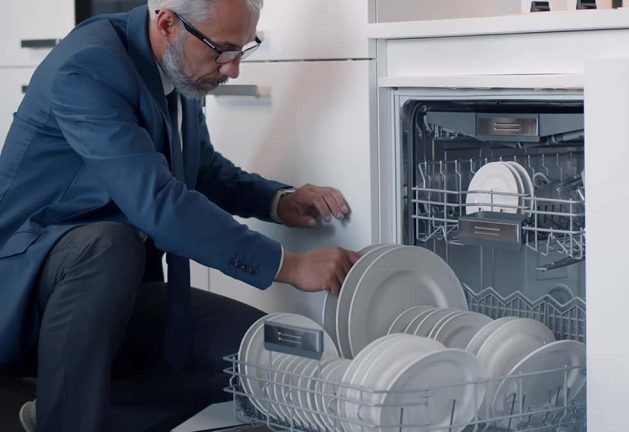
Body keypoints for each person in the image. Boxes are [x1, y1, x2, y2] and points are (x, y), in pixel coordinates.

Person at [0, 0, 360, 430]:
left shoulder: (178, 67)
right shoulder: (88, 67)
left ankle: (60, 414)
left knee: (250, 351)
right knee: (108, 244)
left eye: (244, 49)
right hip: (29, 293)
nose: (233, 69)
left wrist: (277, 201)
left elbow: (199, 166)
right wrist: (289, 265)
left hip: (115, 291)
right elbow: (158, 202)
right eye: (223, 50)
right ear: (168, 23)